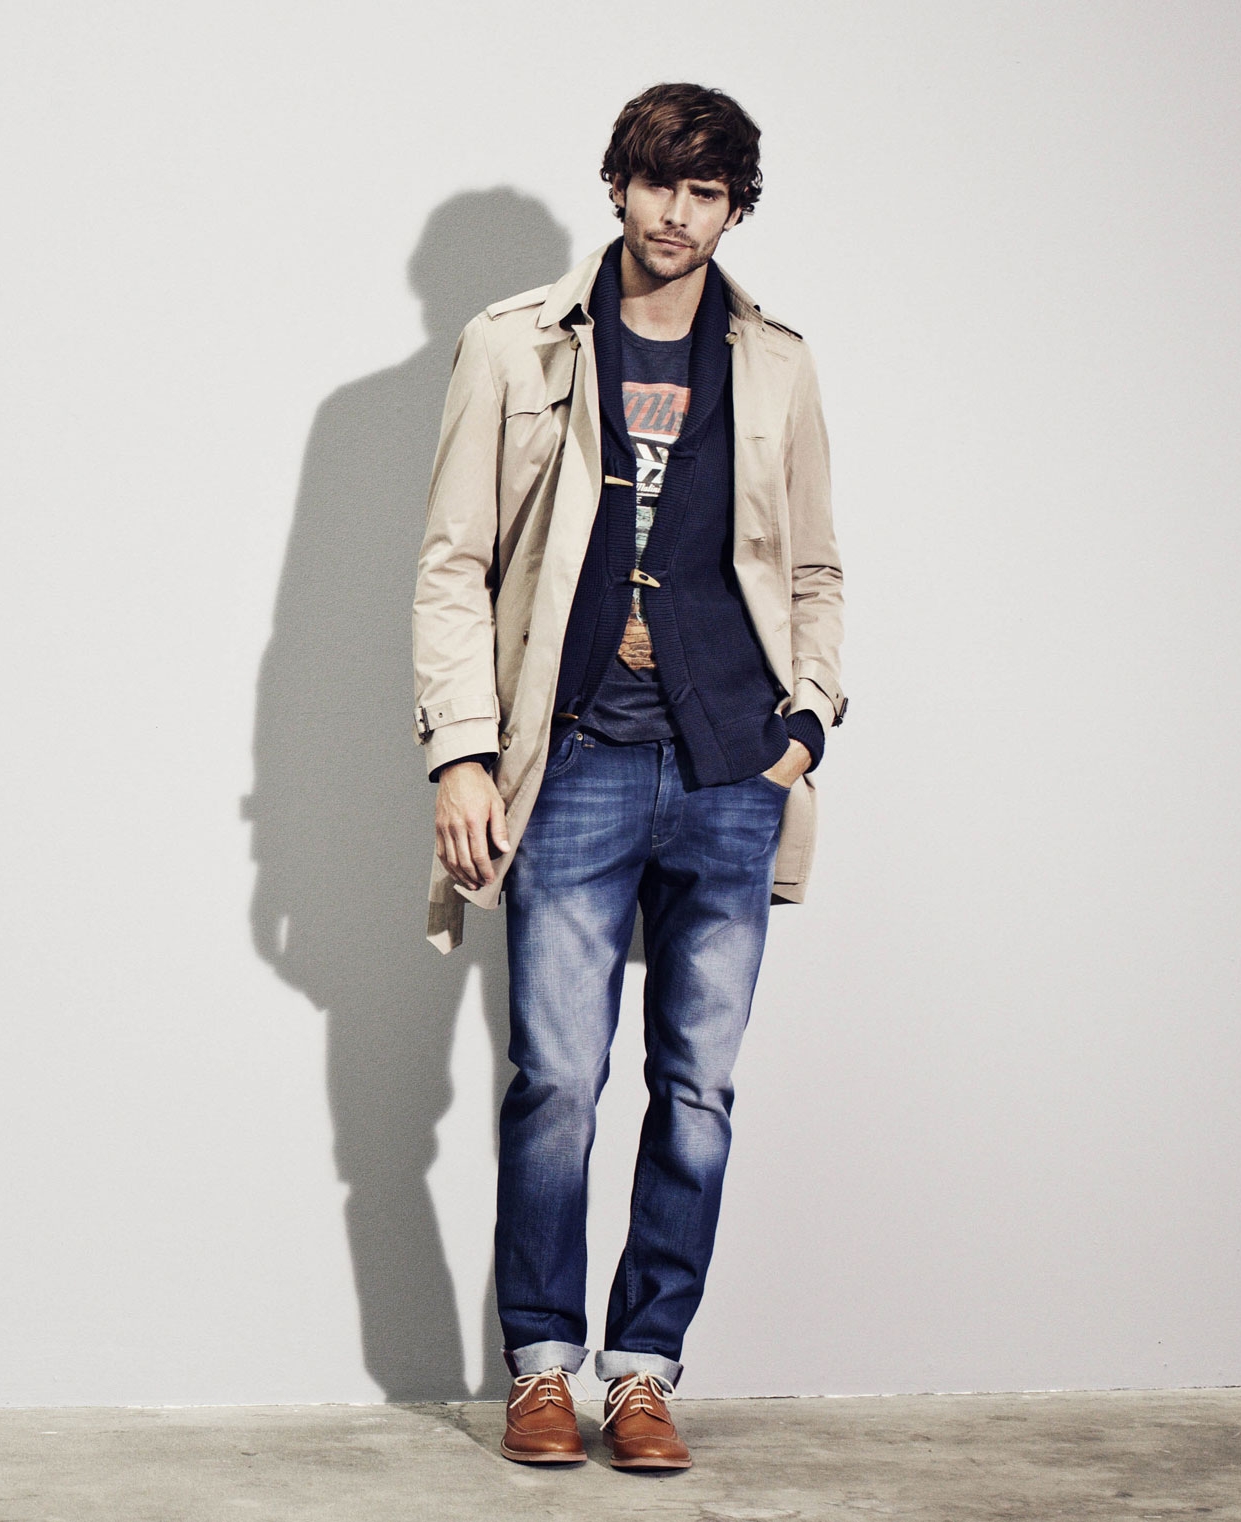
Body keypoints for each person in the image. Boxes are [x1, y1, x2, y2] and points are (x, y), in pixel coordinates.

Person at [411, 81, 844, 1470]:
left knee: (697, 1088)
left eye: (706, 192)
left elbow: (815, 568)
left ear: (733, 209)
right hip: (579, 752)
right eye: (659, 183)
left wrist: (806, 723)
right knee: (556, 1077)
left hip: (729, 765)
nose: (677, 214)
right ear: (618, 186)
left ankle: (646, 1370)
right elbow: (454, 564)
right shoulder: (517, 347)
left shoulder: (775, 365)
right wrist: (462, 752)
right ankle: (543, 1367)